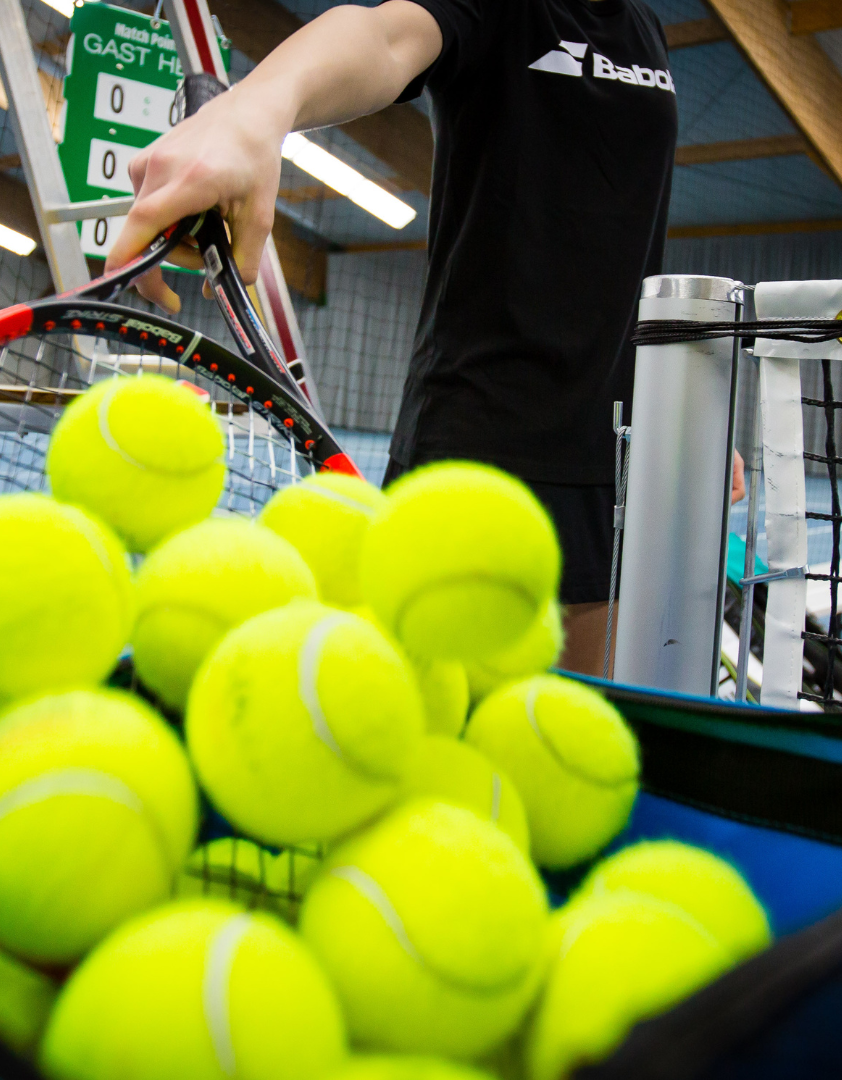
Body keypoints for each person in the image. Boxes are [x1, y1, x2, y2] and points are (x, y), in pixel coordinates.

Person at [107, 0, 740, 676]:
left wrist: (679, 411)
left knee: (572, 726)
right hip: (477, 446)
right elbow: (383, 39)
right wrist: (255, 109)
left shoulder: (645, 30)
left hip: (607, 461)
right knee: (435, 726)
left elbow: (623, 246)